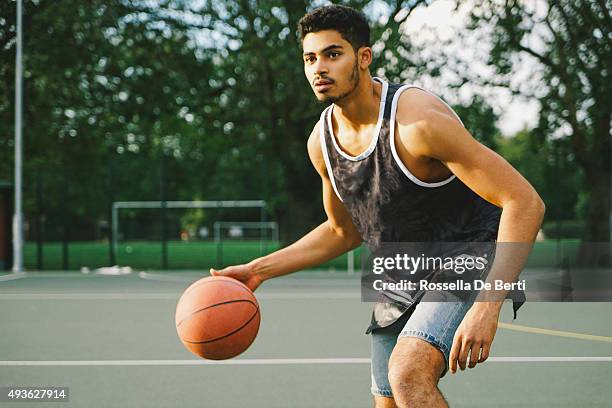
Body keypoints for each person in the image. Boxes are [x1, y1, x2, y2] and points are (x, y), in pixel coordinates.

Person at [211, 5, 545, 408]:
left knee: (407, 374)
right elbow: (343, 231)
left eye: (333, 54)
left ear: (363, 57)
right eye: (310, 58)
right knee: (387, 401)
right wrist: (257, 269)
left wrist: (487, 306)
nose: (319, 68)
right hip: (402, 269)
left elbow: (523, 201)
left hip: (466, 251)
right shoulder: (322, 144)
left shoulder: (417, 122)